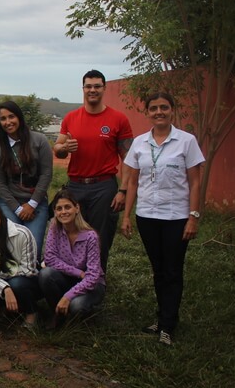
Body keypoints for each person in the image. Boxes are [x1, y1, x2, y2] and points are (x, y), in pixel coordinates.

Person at [121, 92, 205, 346]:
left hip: (176, 217)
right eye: (154, 108)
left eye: (164, 107)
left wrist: (193, 217)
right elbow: (133, 181)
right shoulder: (139, 143)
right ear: (147, 113)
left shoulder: (186, 141)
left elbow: (195, 181)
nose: (159, 112)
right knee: (158, 269)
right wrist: (126, 215)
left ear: (172, 110)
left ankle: (168, 324)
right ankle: (162, 317)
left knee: (172, 269)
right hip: (147, 216)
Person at [53, 70, 133, 272]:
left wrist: (123, 191)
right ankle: (75, 276)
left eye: (97, 86)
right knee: (72, 233)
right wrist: (63, 149)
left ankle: (97, 278)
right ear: (83, 89)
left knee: (100, 237)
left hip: (104, 187)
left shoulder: (118, 119)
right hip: (76, 186)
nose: (92, 90)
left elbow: (129, 159)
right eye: (88, 86)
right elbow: (58, 148)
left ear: (104, 88)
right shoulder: (71, 118)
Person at [0, 101, 53, 258]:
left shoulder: (40, 140)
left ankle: (30, 280)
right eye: (3, 119)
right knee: (12, 250)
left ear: (19, 117)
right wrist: (18, 209)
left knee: (32, 251)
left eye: (11, 116)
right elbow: (0, 183)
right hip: (9, 203)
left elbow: (46, 174)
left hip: (36, 202)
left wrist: (32, 204)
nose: (8, 122)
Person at [38, 190, 106, 327]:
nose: (63, 212)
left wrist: (67, 297)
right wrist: (78, 272)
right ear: (55, 212)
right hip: (69, 278)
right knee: (45, 274)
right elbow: (50, 259)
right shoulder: (54, 229)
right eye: (59, 208)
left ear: (77, 208)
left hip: (91, 284)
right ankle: (57, 314)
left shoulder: (90, 236)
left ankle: (84, 315)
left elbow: (93, 276)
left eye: (67, 207)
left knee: (77, 305)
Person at [0, 200, 41, 330]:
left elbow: (29, 270)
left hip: (27, 281)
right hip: (3, 282)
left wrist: (3, 276)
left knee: (17, 284)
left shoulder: (22, 233)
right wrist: (5, 288)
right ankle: (10, 309)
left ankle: (32, 312)